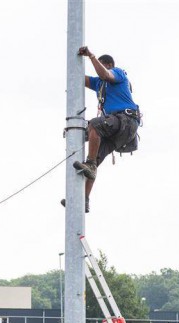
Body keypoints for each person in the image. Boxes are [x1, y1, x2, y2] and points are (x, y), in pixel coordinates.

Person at [69, 47, 140, 213]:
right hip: (117, 128)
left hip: (126, 120)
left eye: (100, 65)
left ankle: (91, 164)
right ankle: (83, 199)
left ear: (108, 64)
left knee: (95, 124)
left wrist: (91, 57)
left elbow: (105, 75)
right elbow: (80, 78)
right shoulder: (99, 84)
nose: (97, 67)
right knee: (94, 159)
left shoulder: (118, 73)